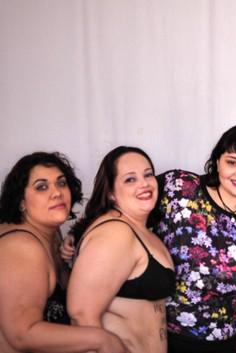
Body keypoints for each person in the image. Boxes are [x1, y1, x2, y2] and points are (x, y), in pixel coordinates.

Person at [156, 125, 236, 353]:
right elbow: (127, 214)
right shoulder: (179, 188)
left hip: (224, 345)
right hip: (160, 338)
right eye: (232, 162)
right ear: (217, 162)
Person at [0, 151, 126, 353]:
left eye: (61, 183)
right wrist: (103, 340)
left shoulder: (52, 233)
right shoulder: (22, 246)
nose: (57, 193)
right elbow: (21, 335)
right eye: (41, 187)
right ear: (21, 201)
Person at [67, 146, 175, 353]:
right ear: (110, 193)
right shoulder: (115, 233)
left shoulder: (142, 230)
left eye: (148, 174)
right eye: (130, 179)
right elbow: (81, 315)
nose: (144, 184)